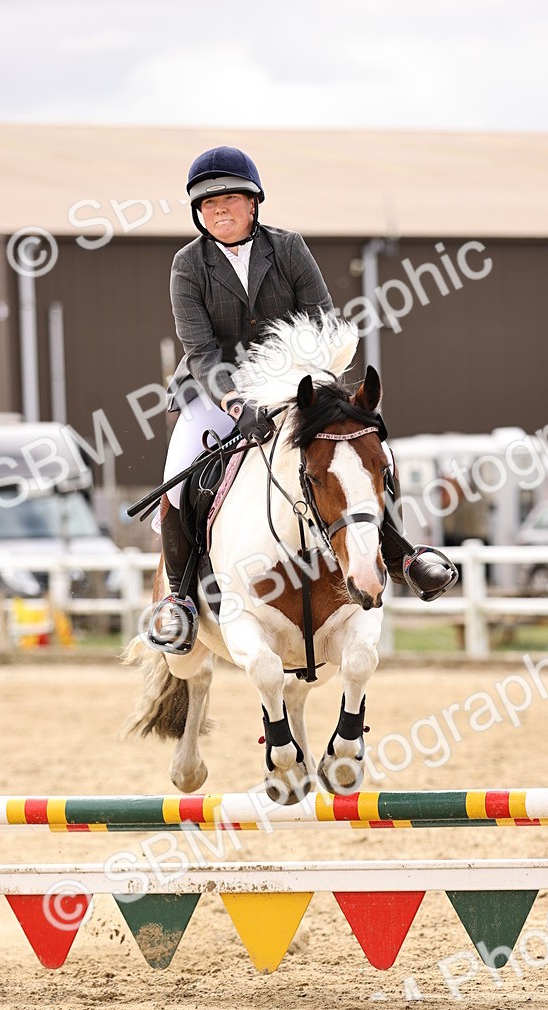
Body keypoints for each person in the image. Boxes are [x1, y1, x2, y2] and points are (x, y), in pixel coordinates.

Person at [150, 145, 456, 653]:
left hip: (293, 381)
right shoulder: (188, 264)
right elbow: (201, 350)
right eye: (207, 204)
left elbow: (320, 319)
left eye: (229, 198)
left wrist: (315, 392)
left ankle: (400, 553)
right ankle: (179, 598)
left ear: (253, 203)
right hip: (213, 390)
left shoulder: (287, 248)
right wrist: (233, 403)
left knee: (358, 447)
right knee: (178, 476)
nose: (218, 209)